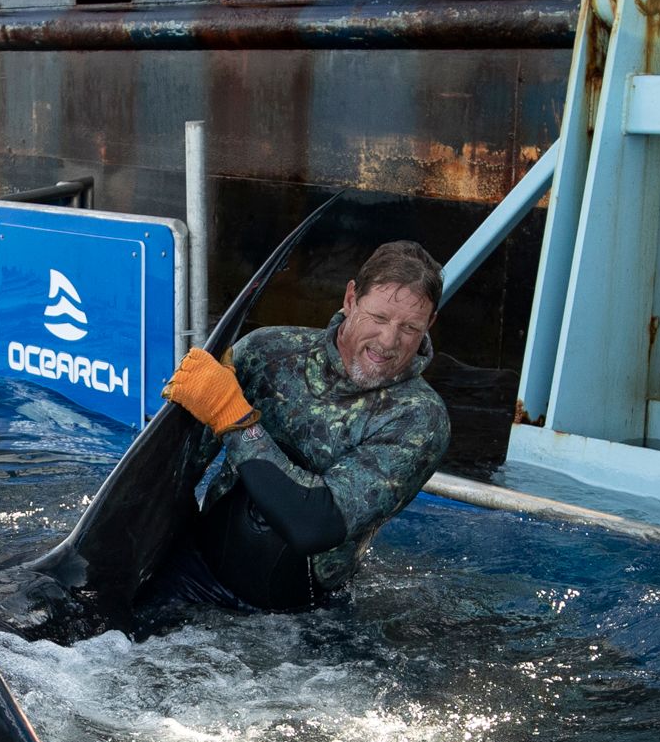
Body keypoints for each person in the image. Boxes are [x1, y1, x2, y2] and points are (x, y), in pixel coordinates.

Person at [155, 240, 450, 611]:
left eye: (410, 327)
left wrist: (235, 421)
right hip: (193, 572)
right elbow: (174, 474)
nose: (389, 341)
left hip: (297, 618)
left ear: (430, 324)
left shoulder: (418, 418)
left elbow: (314, 525)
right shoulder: (266, 353)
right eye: (378, 318)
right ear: (350, 299)